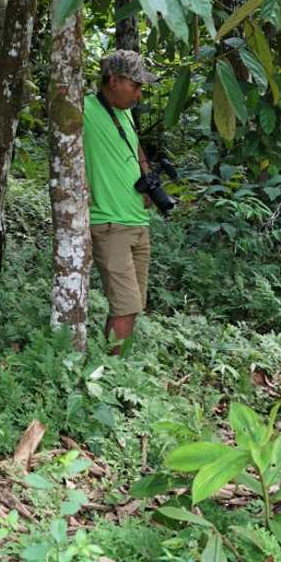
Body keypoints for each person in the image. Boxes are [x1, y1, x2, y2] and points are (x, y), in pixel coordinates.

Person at [83, 50, 160, 348]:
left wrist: (146, 173)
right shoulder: (83, 109)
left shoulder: (124, 111)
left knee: (134, 305)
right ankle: (113, 375)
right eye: (136, 85)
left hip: (138, 222)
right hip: (110, 223)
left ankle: (116, 367)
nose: (139, 94)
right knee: (126, 307)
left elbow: (135, 146)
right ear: (114, 81)